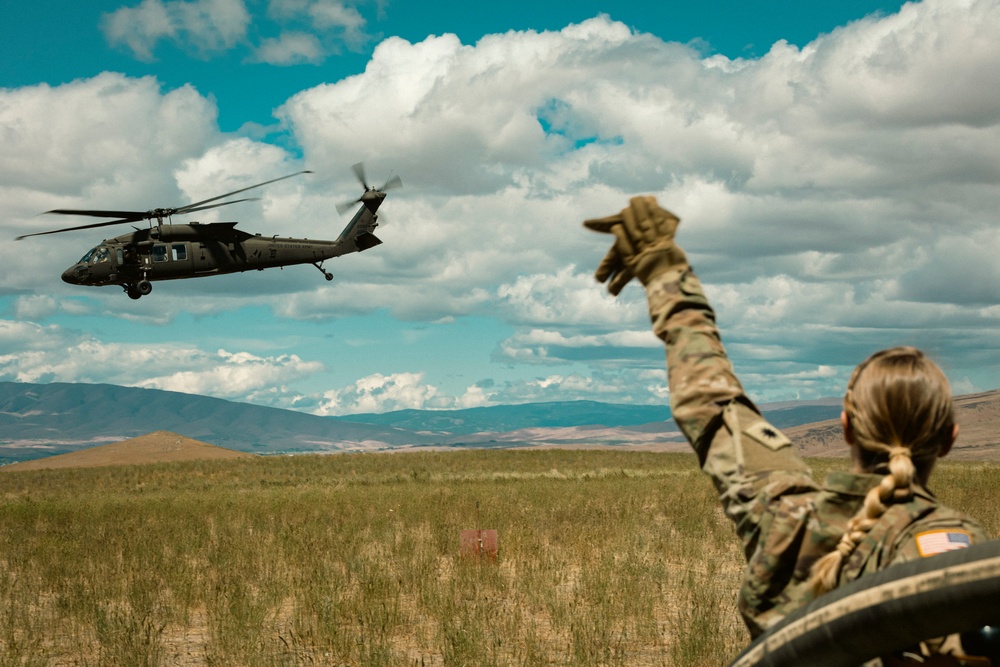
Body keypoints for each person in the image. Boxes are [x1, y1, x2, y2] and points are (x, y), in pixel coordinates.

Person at [584, 196, 989, 661]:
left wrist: (662, 267)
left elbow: (711, 400)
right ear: (949, 440)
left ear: (847, 427)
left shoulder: (784, 517)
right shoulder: (959, 551)